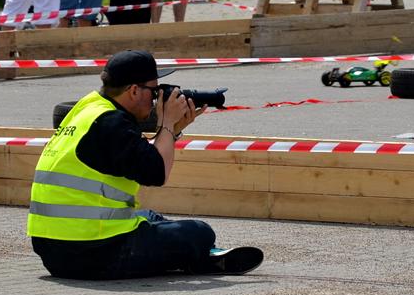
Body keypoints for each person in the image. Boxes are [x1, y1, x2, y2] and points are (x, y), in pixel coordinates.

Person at [27, 49, 264, 279]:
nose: (155, 99)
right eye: (153, 91)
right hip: (95, 254)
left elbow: (136, 157)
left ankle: (196, 255)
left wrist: (173, 131)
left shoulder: (89, 110)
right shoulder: (112, 124)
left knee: (149, 216)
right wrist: (167, 125)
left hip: (54, 252)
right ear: (133, 90)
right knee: (200, 232)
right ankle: (199, 254)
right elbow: (156, 173)